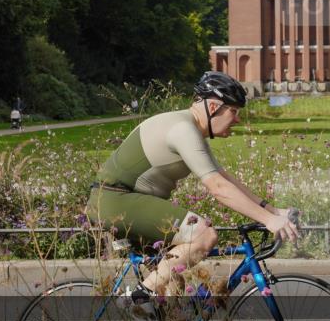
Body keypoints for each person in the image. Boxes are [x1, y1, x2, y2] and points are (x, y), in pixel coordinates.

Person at [85, 71, 300, 308]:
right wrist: (268, 220)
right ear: (214, 107)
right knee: (204, 234)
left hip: (124, 201)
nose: (237, 119)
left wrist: (272, 211)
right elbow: (218, 188)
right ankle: (135, 299)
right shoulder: (183, 130)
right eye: (234, 111)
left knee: (172, 298)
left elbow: (225, 179)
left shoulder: (190, 129)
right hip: (116, 201)